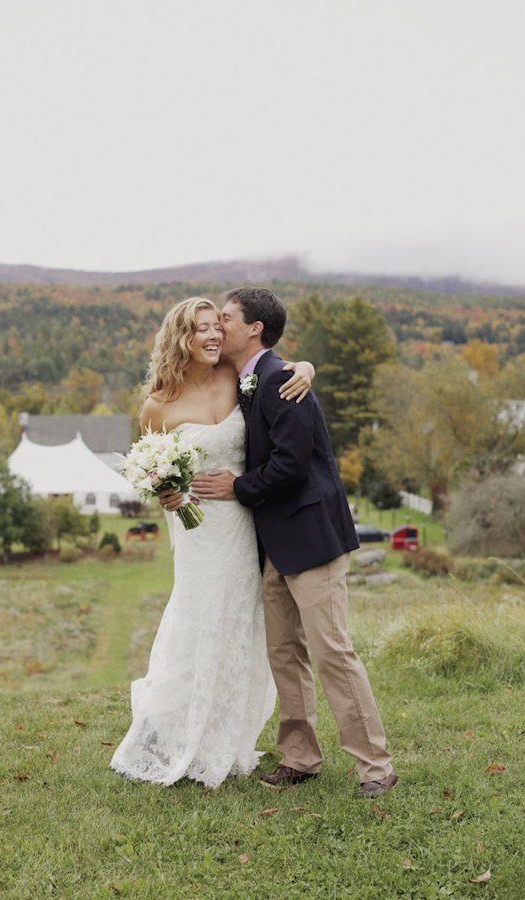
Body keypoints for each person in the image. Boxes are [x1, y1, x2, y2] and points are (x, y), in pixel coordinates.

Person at [191, 287, 398, 799]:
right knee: (284, 653)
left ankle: (376, 766)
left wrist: (236, 488)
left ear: (254, 328)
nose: (220, 327)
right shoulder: (249, 380)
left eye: (228, 319)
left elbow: (290, 466)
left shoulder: (283, 379)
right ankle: (300, 758)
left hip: (311, 538)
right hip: (273, 546)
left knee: (332, 652)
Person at [110, 296, 314, 788]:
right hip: (199, 531)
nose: (212, 336)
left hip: (246, 524)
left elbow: (276, 366)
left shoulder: (233, 375)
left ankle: (227, 734)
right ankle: (178, 732)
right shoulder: (157, 406)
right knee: (199, 622)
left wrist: (306, 367)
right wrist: (167, 493)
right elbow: (157, 478)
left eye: (216, 327)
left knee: (242, 627)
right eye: (201, 328)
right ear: (180, 337)